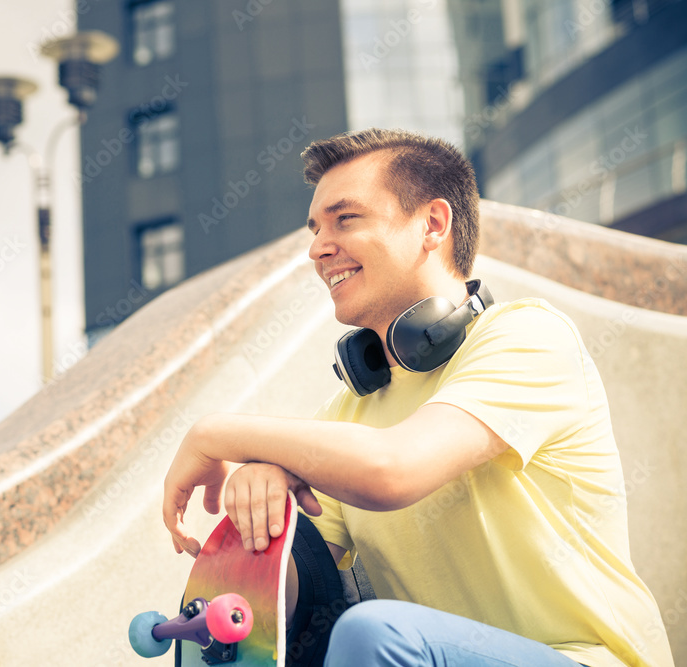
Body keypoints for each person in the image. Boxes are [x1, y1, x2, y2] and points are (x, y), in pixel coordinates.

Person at [162, 128, 674, 667]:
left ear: (433, 224)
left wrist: (216, 434)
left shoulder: (527, 336)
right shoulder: (347, 415)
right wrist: (258, 525)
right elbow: (301, 599)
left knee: (377, 633)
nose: (317, 247)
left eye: (346, 218)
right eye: (315, 229)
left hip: (586, 659)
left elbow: (392, 471)